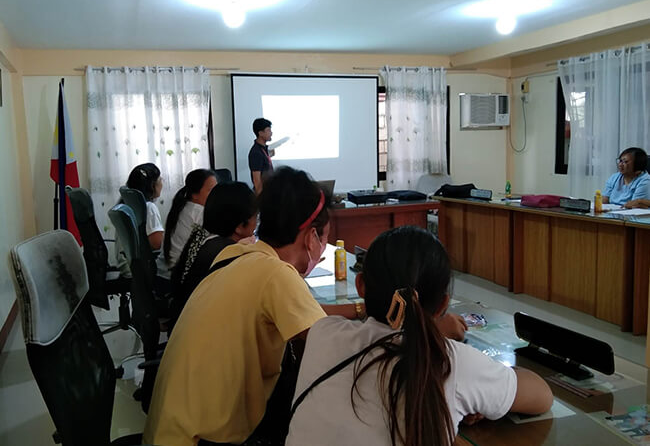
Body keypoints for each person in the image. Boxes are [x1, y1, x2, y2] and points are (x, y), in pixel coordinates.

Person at [144, 166, 364, 446]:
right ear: (311, 237)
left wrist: (361, 308)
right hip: (199, 439)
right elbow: (331, 343)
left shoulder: (239, 254)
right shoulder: (275, 274)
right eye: (324, 239)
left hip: (171, 430)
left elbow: (310, 314)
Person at [286, 226, 553, 446]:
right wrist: (479, 392)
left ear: (360, 286)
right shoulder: (452, 361)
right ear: (442, 304)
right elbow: (542, 396)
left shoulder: (323, 333)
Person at [168, 181, 258, 327]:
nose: (256, 224)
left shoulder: (203, 235)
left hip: (182, 323)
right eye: (255, 218)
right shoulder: (226, 254)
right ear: (240, 227)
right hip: (199, 330)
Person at [162, 169, 217, 268]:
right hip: (178, 273)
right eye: (211, 190)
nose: (216, 194)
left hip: (165, 271)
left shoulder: (183, 207)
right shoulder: (199, 213)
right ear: (195, 195)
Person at [248, 117, 274, 194]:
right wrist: (261, 198)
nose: (271, 133)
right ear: (260, 133)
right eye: (268, 130)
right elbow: (257, 180)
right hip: (264, 194)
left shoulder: (264, 148)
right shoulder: (256, 152)